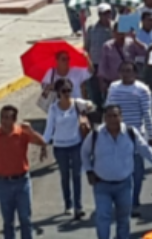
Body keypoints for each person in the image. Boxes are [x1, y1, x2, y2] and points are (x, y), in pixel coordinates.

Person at [81, 104, 152, 239]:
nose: (112, 119)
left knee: (124, 219)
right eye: (109, 116)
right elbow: (84, 153)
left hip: (124, 184)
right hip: (102, 184)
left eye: (115, 116)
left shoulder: (130, 133)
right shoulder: (96, 134)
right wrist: (89, 171)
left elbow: (144, 149)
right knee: (103, 217)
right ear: (104, 118)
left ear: (121, 117)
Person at [0, 105, 48, 239]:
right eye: (2, 118)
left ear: (14, 119)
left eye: (8, 118)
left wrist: (31, 131)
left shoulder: (22, 134)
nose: (4, 121)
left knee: (25, 219)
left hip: (22, 182)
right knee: (8, 222)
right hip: (3, 183)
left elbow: (42, 142)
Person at [105, 61, 152, 217]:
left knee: (137, 173)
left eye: (129, 71)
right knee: (119, 171)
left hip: (135, 136)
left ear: (135, 73)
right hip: (115, 135)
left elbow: (147, 113)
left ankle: (134, 202)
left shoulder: (142, 89)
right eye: (123, 71)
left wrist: (151, 134)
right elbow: (107, 109)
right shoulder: (113, 88)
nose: (126, 74)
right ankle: (122, 202)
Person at [42, 78, 95, 219]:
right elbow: (49, 129)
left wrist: (89, 105)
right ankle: (68, 205)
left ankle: (78, 206)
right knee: (65, 177)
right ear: (58, 93)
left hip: (76, 145)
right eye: (63, 91)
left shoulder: (77, 104)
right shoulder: (53, 109)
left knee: (77, 176)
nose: (67, 93)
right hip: (60, 147)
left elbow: (92, 107)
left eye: (69, 90)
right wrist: (43, 144)